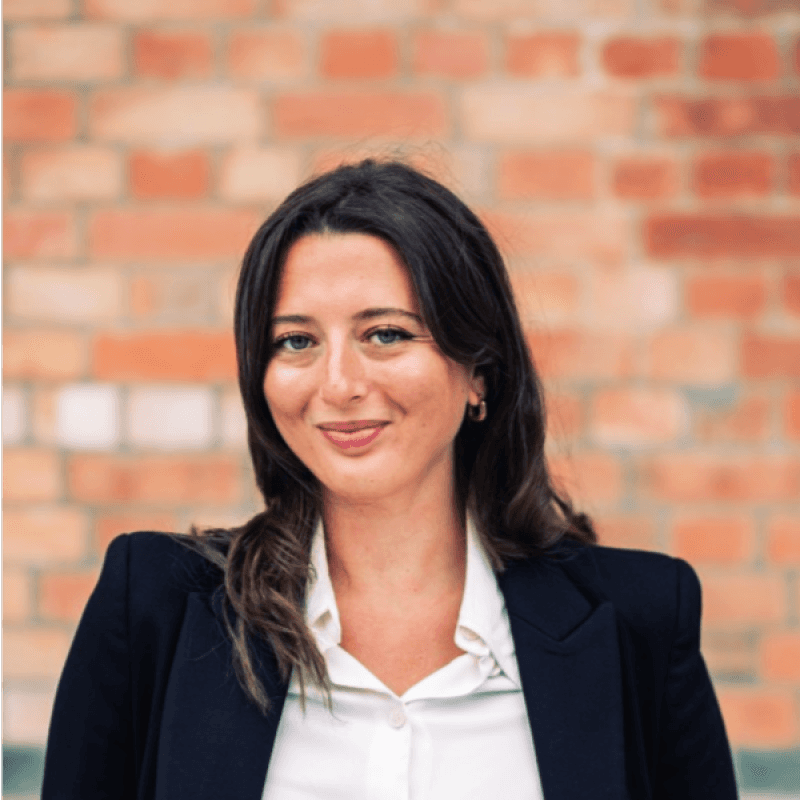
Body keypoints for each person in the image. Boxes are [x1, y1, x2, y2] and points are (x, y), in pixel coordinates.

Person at [41, 159, 738, 800]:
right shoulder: (155, 610)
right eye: (296, 341)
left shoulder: (638, 623)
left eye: (386, 334)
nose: (338, 384)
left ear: (479, 374)